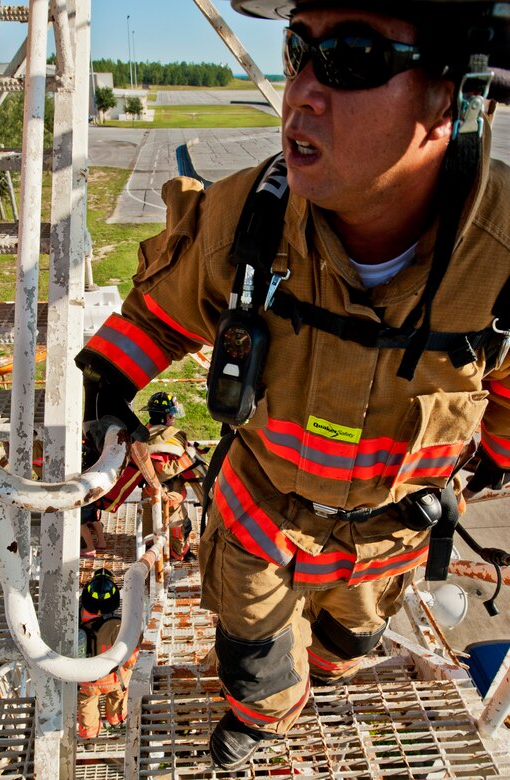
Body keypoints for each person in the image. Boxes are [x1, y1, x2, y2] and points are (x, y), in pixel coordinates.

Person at [75, 0, 510, 769]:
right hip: (260, 515)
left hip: (390, 532)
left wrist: (494, 457)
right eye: (296, 49)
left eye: (348, 57)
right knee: (255, 652)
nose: (301, 91)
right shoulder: (251, 218)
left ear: (449, 95)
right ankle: (263, 721)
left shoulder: (501, 254)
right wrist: (105, 391)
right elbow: (162, 313)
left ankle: (328, 671)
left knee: (352, 637)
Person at [140, 391, 205, 562]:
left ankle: (166, 552)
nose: (174, 417)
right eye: (172, 414)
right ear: (164, 417)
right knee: (178, 527)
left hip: (152, 494)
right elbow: (161, 472)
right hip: (166, 494)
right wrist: (188, 458)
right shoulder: (161, 439)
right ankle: (175, 554)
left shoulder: (144, 434)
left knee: (157, 529)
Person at [77, 569, 140, 738]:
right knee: (118, 698)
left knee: (86, 704)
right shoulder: (118, 626)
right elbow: (132, 657)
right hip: (114, 678)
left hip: (86, 680)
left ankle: (89, 733)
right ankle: (116, 721)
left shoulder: (76, 620)